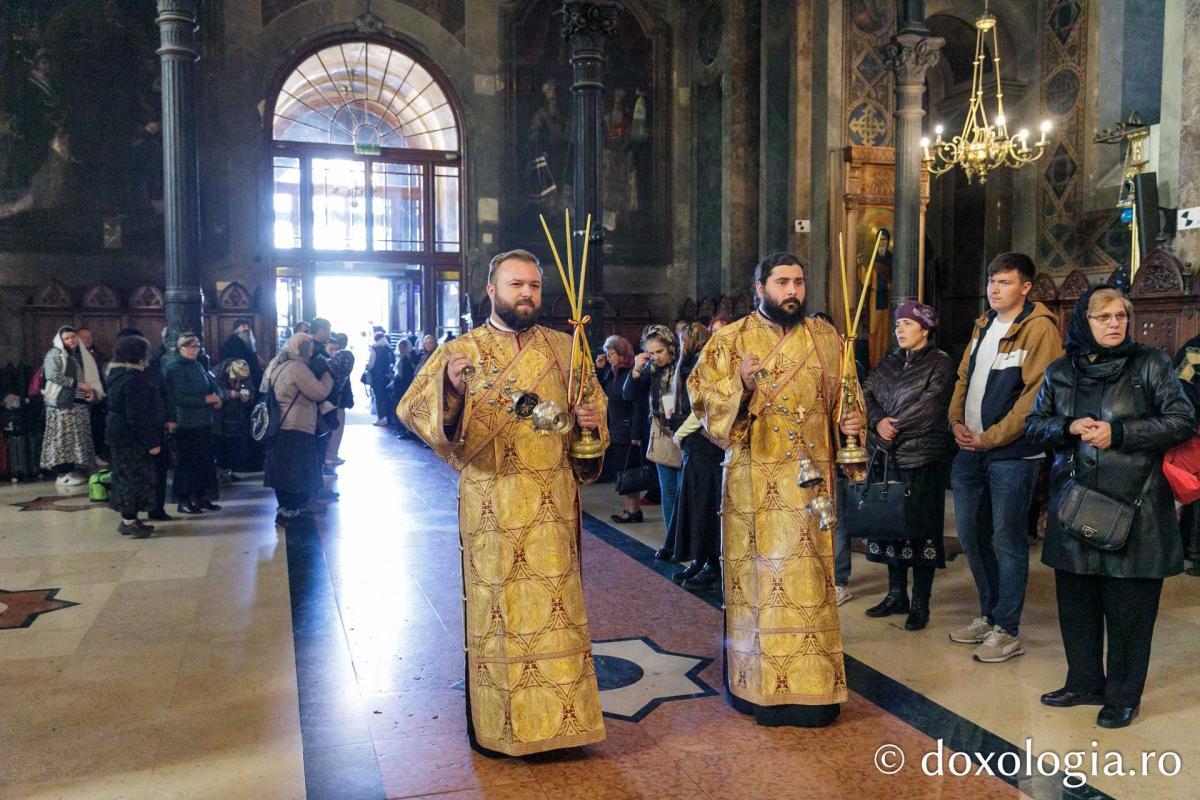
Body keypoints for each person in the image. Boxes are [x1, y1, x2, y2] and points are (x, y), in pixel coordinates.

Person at [397, 249, 608, 757]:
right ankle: (502, 727)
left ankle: (564, 725)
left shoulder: (566, 348)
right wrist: (450, 389)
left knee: (559, 611)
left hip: (554, 504)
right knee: (502, 615)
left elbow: (594, 412)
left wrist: (589, 423)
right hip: (492, 503)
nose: (527, 294)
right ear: (491, 290)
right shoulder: (462, 350)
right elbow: (412, 410)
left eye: (534, 286)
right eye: (517, 285)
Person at [688, 251, 864, 728]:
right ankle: (754, 688)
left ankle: (816, 691)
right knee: (760, 587)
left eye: (799, 282)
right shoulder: (729, 340)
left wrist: (851, 424)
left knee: (810, 586)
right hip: (752, 485)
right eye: (782, 282)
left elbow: (847, 396)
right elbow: (702, 405)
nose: (793, 291)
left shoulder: (826, 338)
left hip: (811, 487)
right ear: (759, 287)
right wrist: (740, 388)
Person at [1025, 286, 1195, 728]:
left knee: (1129, 611)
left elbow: (1182, 420)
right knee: (1077, 602)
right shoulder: (1061, 371)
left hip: (1137, 505)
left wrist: (1117, 433)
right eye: (1104, 317)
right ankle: (1083, 682)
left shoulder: (1151, 364)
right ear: (1085, 321)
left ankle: (1123, 694)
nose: (1115, 323)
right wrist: (1068, 425)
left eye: (1121, 315)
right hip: (1075, 505)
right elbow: (1035, 428)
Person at [947, 252, 1062, 663]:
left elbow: (1035, 396)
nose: (994, 289)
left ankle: (1007, 629)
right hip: (970, 450)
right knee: (972, 537)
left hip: (1012, 454)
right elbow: (964, 377)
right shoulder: (983, 324)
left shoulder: (1039, 330)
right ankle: (988, 614)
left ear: (1026, 288)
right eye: (992, 282)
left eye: (1005, 283)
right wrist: (956, 422)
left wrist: (991, 438)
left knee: (1007, 540)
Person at [860, 301, 956, 631]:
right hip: (889, 459)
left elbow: (930, 407)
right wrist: (876, 421)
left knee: (921, 531)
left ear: (925, 329)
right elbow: (866, 394)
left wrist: (891, 427)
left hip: (922, 457)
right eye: (897, 324)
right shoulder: (888, 362)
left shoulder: (940, 363)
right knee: (890, 526)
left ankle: (920, 603)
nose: (899, 329)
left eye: (907, 324)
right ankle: (896, 594)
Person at [666, 322, 723, 589]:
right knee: (694, 502)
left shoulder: (703, 362)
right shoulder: (691, 360)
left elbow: (701, 408)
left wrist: (680, 433)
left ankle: (710, 563)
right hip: (696, 445)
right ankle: (699, 560)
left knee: (704, 505)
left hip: (705, 445)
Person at [623, 325, 683, 553]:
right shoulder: (651, 369)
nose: (656, 357)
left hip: (684, 434)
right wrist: (636, 371)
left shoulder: (682, 366)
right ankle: (671, 542)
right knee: (667, 490)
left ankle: (684, 540)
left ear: (670, 347)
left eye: (660, 351)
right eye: (652, 352)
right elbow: (629, 395)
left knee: (683, 491)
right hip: (662, 434)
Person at [262, 334, 333, 522]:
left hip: (279, 424)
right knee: (296, 470)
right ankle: (293, 507)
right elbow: (319, 392)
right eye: (308, 348)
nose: (311, 352)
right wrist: (327, 377)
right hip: (297, 424)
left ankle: (285, 506)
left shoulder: (278, 364)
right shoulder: (297, 367)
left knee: (283, 467)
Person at [104, 335, 162, 538]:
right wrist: (152, 442)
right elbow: (137, 415)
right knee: (132, 478)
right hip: (130, 438)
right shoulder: (133, 380)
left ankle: (129, 518)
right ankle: (129, 521)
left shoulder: (117, 374)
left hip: (118, 434)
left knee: (124, 476)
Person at [163, 335, 222, 515]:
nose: (193, 350)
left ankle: (201, 496)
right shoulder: (175, 368)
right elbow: (178, 397)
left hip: (203, 421)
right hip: (186, 423)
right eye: (189, 347)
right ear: (180, 348)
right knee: (187, 463)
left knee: (204, 461)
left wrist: (218, 397)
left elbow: (212, 384)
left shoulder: (197, 365)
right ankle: (184, 499)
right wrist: (205, 399)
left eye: (196, 347)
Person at [40, 326, 103, 485]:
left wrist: (90, 392)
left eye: (73, 337)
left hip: (77, 404)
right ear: (60, 340)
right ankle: (62, 473)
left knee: (75, 440)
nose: (71, 341)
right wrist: (76, 384)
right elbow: (52, 375)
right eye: (67, 338)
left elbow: (87, 378)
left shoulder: (78, 355)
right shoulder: (55, 353)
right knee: (62, 440)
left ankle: (72, 470)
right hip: (62, 405)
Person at [598, 335, 646, 522]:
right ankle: (628, 509)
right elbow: (601, 392)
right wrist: (600, 369)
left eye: (612, 354)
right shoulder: (612, 373)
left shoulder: (631, 374)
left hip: (629, 431)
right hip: (616, 429)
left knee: (631, 472)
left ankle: (634, 510)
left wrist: (635, 433)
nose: (609, 357)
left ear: (622, 354)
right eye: (607, 354)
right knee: (623, 472)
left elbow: (637, 406)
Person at [1173, 334, 1200, 572]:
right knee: (1189, 490)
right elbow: (1182, 388)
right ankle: (1191, 551)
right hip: (1193, 435)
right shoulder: (1195, 349)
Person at [212, 358, 255, 481]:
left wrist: (247, 397)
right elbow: (213, 390)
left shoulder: (244, 373)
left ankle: (228, 472)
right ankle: (220, 472)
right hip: (219, 417)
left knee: (233, 446)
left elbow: (250, 389)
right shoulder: (217, 374)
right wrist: (228, 394)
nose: (239, 380)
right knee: (220, 445)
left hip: (236, 417)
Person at [78, 327, 109, 464]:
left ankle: (96, 454)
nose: (87, 339)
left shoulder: (99, 355)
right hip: (80, 397)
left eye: (89, 337)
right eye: (84, 337)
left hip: (97, 398)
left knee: (96, 427)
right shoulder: (73, 356)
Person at [327, 335, 355, 467]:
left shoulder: (338, 360)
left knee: (337, 427)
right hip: (334, 401)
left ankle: (332, 454)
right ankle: (330, 455)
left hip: (337, 400)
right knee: (336, 427)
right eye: (331, 349)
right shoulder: (340, 361)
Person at [221, 318, 263, 387]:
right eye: (243, 326)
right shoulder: (233, 341)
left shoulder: (246, 342)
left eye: (248, 327)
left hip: (250, 376)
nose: (247, 329)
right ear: (236, 330)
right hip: (240, 379)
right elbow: (239, 360)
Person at [366, 331, 394, 426]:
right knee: (386, 397)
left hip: (377, 376)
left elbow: (371, 364)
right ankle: (388, 418)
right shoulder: (388, 348)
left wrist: (368, 368)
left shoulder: (375, 348)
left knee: (378, 397)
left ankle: (380, 418)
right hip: (387, 376)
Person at [391, 338, 418, 440]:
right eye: (400, 347)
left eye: (403, 347)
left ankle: (406, 431)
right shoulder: (400, 357)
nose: (401, 349)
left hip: (404, 386)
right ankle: (402, 429)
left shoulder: (408, 358)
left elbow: (408, 374)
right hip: (399, 386)